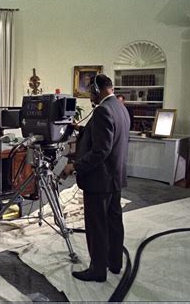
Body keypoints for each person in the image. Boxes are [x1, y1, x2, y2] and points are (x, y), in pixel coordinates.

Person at [64, 74, 130, 282]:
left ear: (97, 89)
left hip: (99, 181)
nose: (90, 96)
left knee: (97, 226)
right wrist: (82, 129)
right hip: (115, 178)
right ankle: (114, 263)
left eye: (91, 92)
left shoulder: (102, 110)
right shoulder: (120, 107)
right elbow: (106, 135)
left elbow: (101, 150)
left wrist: (74, 166)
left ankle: (97, 270)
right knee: (114, 222)